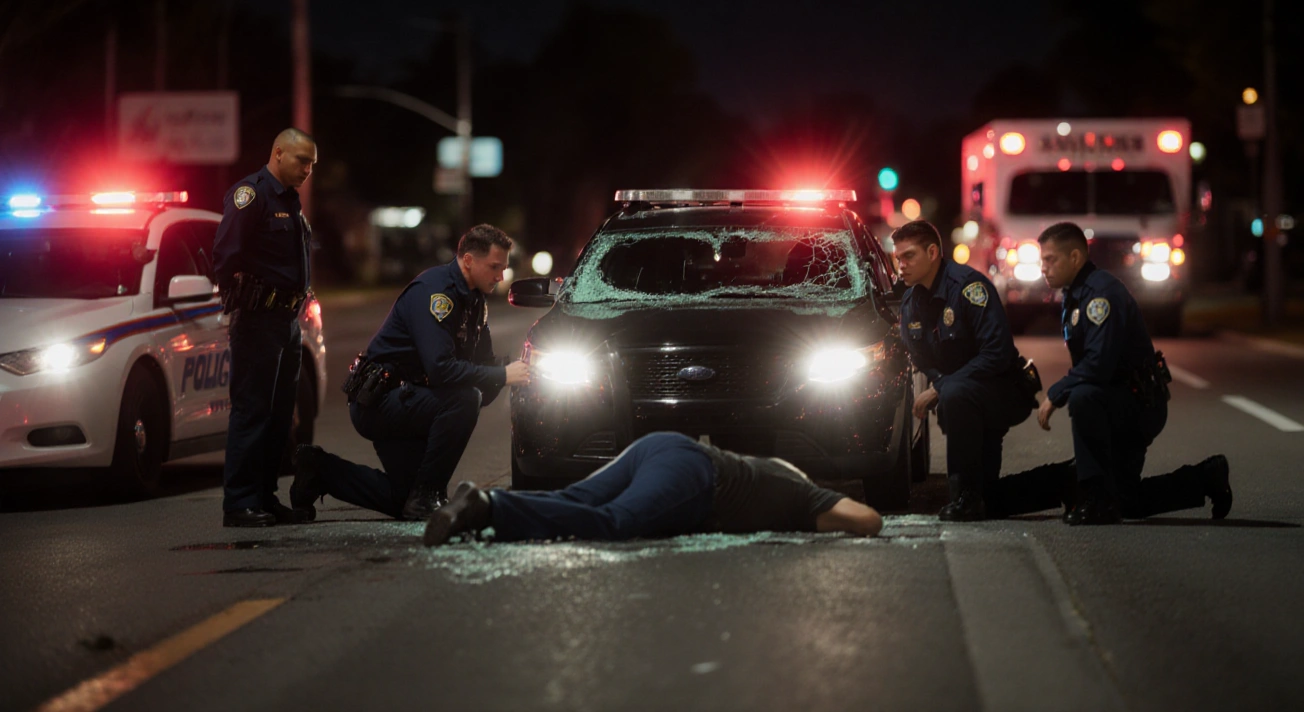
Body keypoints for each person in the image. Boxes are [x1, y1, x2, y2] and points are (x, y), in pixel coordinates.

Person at [290, 224, 530, 521]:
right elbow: (442, 370)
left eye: (504, 268)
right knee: (464, 399)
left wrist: (523, 370)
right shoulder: (437, 294)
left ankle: (319, 470)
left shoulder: (474, 300)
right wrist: (502, 375)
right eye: (495, 267)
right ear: (468, 260)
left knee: (402, 498)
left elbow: (484, 368)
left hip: (414, 400)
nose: (501, 276)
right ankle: (429, 494)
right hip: (380, 400)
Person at [1035, 222, 1233, 525]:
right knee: (1128, 501)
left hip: (1136, 404)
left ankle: (1096, 500)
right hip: (1118, 401)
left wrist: (1056, 393)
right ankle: (1206, 478)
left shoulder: (1101, 295)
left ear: (1075, 258)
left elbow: (1098, 364)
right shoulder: (1075, 294)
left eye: (1050, 260)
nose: (1043, 267)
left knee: (1082, 396)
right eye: (1042, 260)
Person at [892, 220, 1074, 521]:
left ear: (933, 252)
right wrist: (944, 386)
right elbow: (922, 357)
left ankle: (966, 495)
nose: (901, 265)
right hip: (963, 397)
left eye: (909, 256)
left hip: (1003, 390)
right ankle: (1065, 481)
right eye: (898, 258)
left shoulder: (969, 288)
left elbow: (997, 353)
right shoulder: (911, 303)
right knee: (992, 500)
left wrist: (940, 388)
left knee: (954, 393)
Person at [422, 431, 883, 545]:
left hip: (662, 445)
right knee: (615, 522)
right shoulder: (802, 494)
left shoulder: (776, 473)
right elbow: (869, 520)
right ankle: (488, 507)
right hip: (697, 475)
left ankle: (472, 499)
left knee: (577, 499)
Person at [214, 128, 317, 528]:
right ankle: (238, 503)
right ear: (278, 152)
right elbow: (226, 256)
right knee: (252, 411)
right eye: (301, 161)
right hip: (257, 320)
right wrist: (241, 303)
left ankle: (265, 497)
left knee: (279, 415)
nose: (307, 169)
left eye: (311, 163)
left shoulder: (290, 201)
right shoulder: (251, 195)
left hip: (286, 321)